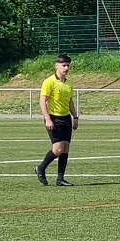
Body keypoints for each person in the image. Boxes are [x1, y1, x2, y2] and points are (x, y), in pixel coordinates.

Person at [34, 54, 79, 186]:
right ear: (56, 66)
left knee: (65, 149)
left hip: (66, 118)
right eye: (63, 65)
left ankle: (60, 179)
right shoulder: (49, 82)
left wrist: (75, 117)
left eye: (68, 65)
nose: (66, 68)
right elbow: (42, 101)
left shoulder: (69, 83)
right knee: (58, 148)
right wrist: (48, 119)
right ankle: (40, 168)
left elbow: (70, 101)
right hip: (53, 118)